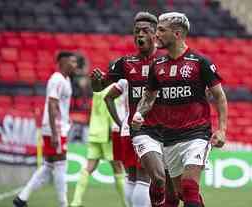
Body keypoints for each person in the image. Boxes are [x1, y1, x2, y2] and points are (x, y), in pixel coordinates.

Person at [132, 12, 228, 207]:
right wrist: (139, 113)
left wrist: (222, 129)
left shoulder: (199, 62)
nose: (155, 34)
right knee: (181, 194)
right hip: (168, 138)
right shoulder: (157, 65)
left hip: (197, 135)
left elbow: (219, 96)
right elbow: (148, 97)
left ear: (177, 34)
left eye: (160, 30)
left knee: (190, 186)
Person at [93, 12, 179, 207]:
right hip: (141, 130)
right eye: (136, 31)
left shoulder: (167, 62)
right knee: (144, 178)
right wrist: (95, 83)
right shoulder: (126, 63)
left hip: (164, 130)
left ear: (155, 35)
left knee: (145, 180)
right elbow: (100, 89)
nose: (140, 35)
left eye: (145, 31)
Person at [13, 51, 78, 207]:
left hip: (57, 127)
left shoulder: (66, 79)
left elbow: (60, 105)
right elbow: (52, 104)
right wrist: (55, 132)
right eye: (72, 62)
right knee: (61, 164)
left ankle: (21, 198)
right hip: (54, 128)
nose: (75, 65)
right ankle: (63, 204)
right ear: (63, 62)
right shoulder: (56, 79)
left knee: (48, 165)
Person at [70, 83, 126, 207]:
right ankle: (126, 204)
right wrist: (114, 131)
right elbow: (110, 111)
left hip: (94, 132)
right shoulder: (114, 90)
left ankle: (75, 202)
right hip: (107, 133)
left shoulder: (98, 90)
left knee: (89, 167)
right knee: (118, 168)